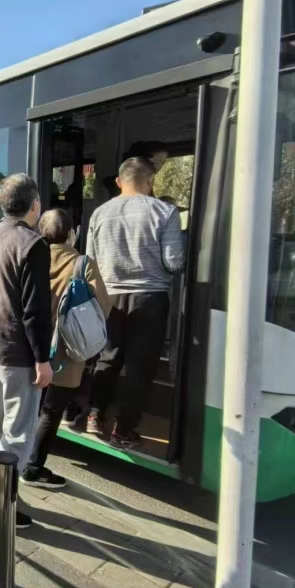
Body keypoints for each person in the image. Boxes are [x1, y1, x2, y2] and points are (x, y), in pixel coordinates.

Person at [0, 173, 52, 529]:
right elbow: (35, 310)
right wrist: (43, 359)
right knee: (18, 433)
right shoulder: (32, 244)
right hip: (18, 353)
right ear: (35, 204)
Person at [85, 156, 185, 449]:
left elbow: (90, 260)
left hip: (110, 297)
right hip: (149, 298)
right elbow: (174, 261)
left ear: (119, 181)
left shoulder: (100, 214)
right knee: (139, 367)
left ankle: (95, 414)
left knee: (107, 357)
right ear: (151, 181)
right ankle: (124, 429)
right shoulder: (165, 212)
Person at [21, 209, 111, 489]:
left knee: (30, 407)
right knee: (51, 411)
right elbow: (102, 306)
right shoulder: (82, 263)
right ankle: (33, 467)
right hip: (65, 351)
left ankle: (19, 458)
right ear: (72, 233)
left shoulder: (31, 256)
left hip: (30, 344)